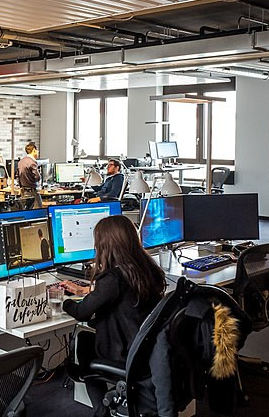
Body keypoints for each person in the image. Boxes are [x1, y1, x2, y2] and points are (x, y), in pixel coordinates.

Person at [59, 215, 165, 417]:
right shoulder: (147, 269)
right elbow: (122, 296)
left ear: (105, 246)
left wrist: (61, 301)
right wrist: (86, 291)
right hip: (148, 351)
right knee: (88, 337)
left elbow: (81, 313)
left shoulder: (112, 279)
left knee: (83, 339)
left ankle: (102, 411)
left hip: (126, 354)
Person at [17, 141, 43, 208]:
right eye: (37, 151)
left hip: (24, 191)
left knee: (27, 211)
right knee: (39, 211)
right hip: (32, 192)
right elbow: (37, 177)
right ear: (34, 150)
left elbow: (17, 176)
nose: (38, 152)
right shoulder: (32, 162)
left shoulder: (21, 161)